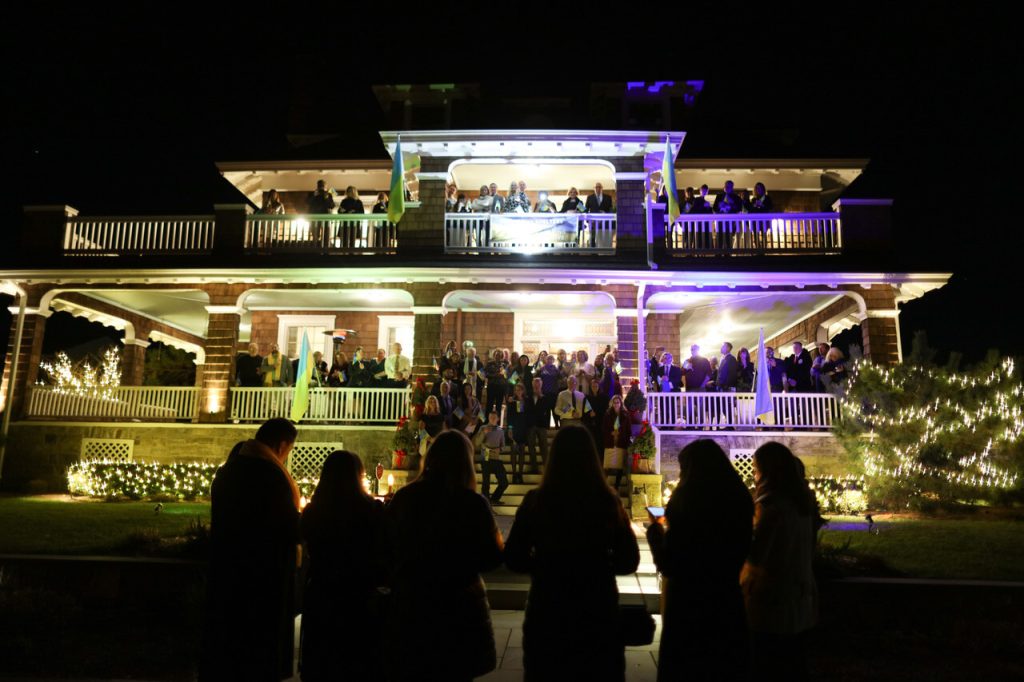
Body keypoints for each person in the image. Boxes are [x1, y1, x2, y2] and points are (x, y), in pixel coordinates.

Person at [504, 425, 640, 681]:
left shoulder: (537, 500)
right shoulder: (606, 501)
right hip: (597, 608)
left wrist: (544, 565)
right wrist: (598, 564)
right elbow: (629, 560)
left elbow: (513, 557)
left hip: (548, 607)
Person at [384, 431, 504, 682]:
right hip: (458, 607)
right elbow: (492, 558)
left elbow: (386, 546)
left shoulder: (406, 498)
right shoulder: (472, 503)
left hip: (412, 604)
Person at [645, 439, 754, 681]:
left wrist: (655, 534)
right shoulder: (738, 500)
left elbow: (670, 563)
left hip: (688, 605)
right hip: (726, 601)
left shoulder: (687, 504)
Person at [202, 419, 300, 681]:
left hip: (227, 568)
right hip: (262, 573)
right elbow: (287, 526)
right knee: (257, 647)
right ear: (281, 445)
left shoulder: (229, 470)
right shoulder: (270, 475)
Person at [299, 450, 386, 682]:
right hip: (359, 594)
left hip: (322, 592)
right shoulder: (371, 510)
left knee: (322, 659)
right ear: (359, 475)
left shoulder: (314, 511)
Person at [741, 442, 818, 681]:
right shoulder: (802, 505)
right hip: (801, 601)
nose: (754, 476)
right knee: (795, 664)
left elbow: (756, 554)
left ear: (769, 471)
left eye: (756, 470)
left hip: (772, 604)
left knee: (768, 666)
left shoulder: (769, 508)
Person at [476, 410, 509, 503]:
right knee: (486, 482)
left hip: (496, 456)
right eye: (490, 417)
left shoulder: (500, 430)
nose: (492, 419)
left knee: (504, 482)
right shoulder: (483, 427)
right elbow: (477, 443)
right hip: (485, 455)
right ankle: (485, 502)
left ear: (498, 419)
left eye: (494, 418)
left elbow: (503, 445)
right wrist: (484, 433)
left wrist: (500, 449)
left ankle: (494, 499)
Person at [506, 382, 534, 484]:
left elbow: (529, 414)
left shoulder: (527, 400)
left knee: (522, 451)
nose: (517, 391)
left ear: (523, 390)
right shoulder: (511, 401)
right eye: (516, 390)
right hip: (514, 428)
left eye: (519, 389)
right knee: (513, 451)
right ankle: (514, 474)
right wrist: (509, 428)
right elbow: (509, 416)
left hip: (524, 428)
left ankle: (520, 474)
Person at [602, 394, 631, 491]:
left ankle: (616, 486)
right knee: (607, 466)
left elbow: (628, 430)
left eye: (617, 402)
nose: (616, 404)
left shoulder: (625, 415)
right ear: (611, 403)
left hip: (620, 442)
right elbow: (604, 428)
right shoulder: (608, 414)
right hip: (610, 442)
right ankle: (604, 485)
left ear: (621, 403)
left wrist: (621, 433)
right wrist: (610, 432)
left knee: (619, 467)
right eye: (614, 402)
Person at [483, 348, 508, 417]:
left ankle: (497, 422)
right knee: (489, 404)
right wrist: (494, 375)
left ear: (502, 355)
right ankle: (487, 421)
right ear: (494, 355)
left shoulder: (505, 364)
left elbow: (507, 375)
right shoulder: (489, 363)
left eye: (500, 355)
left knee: (499, 405)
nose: (498, 356)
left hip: (501, 387)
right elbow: (483, 373)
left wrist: (504, 375)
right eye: (497, 354)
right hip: (491, 386)